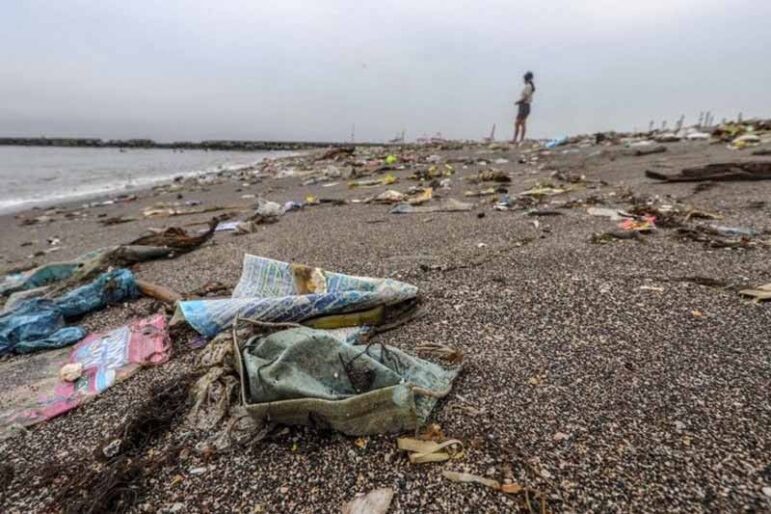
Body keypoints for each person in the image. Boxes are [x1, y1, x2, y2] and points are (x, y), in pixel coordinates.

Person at [513, 71, 535, 144]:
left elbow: (525, 97)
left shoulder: (528, 86)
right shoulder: (529, 86)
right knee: (521, 123)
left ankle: (517, 139)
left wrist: (518, 102)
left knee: (518, 123)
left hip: (524, 105)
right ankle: (518, 139)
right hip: (525, 106)